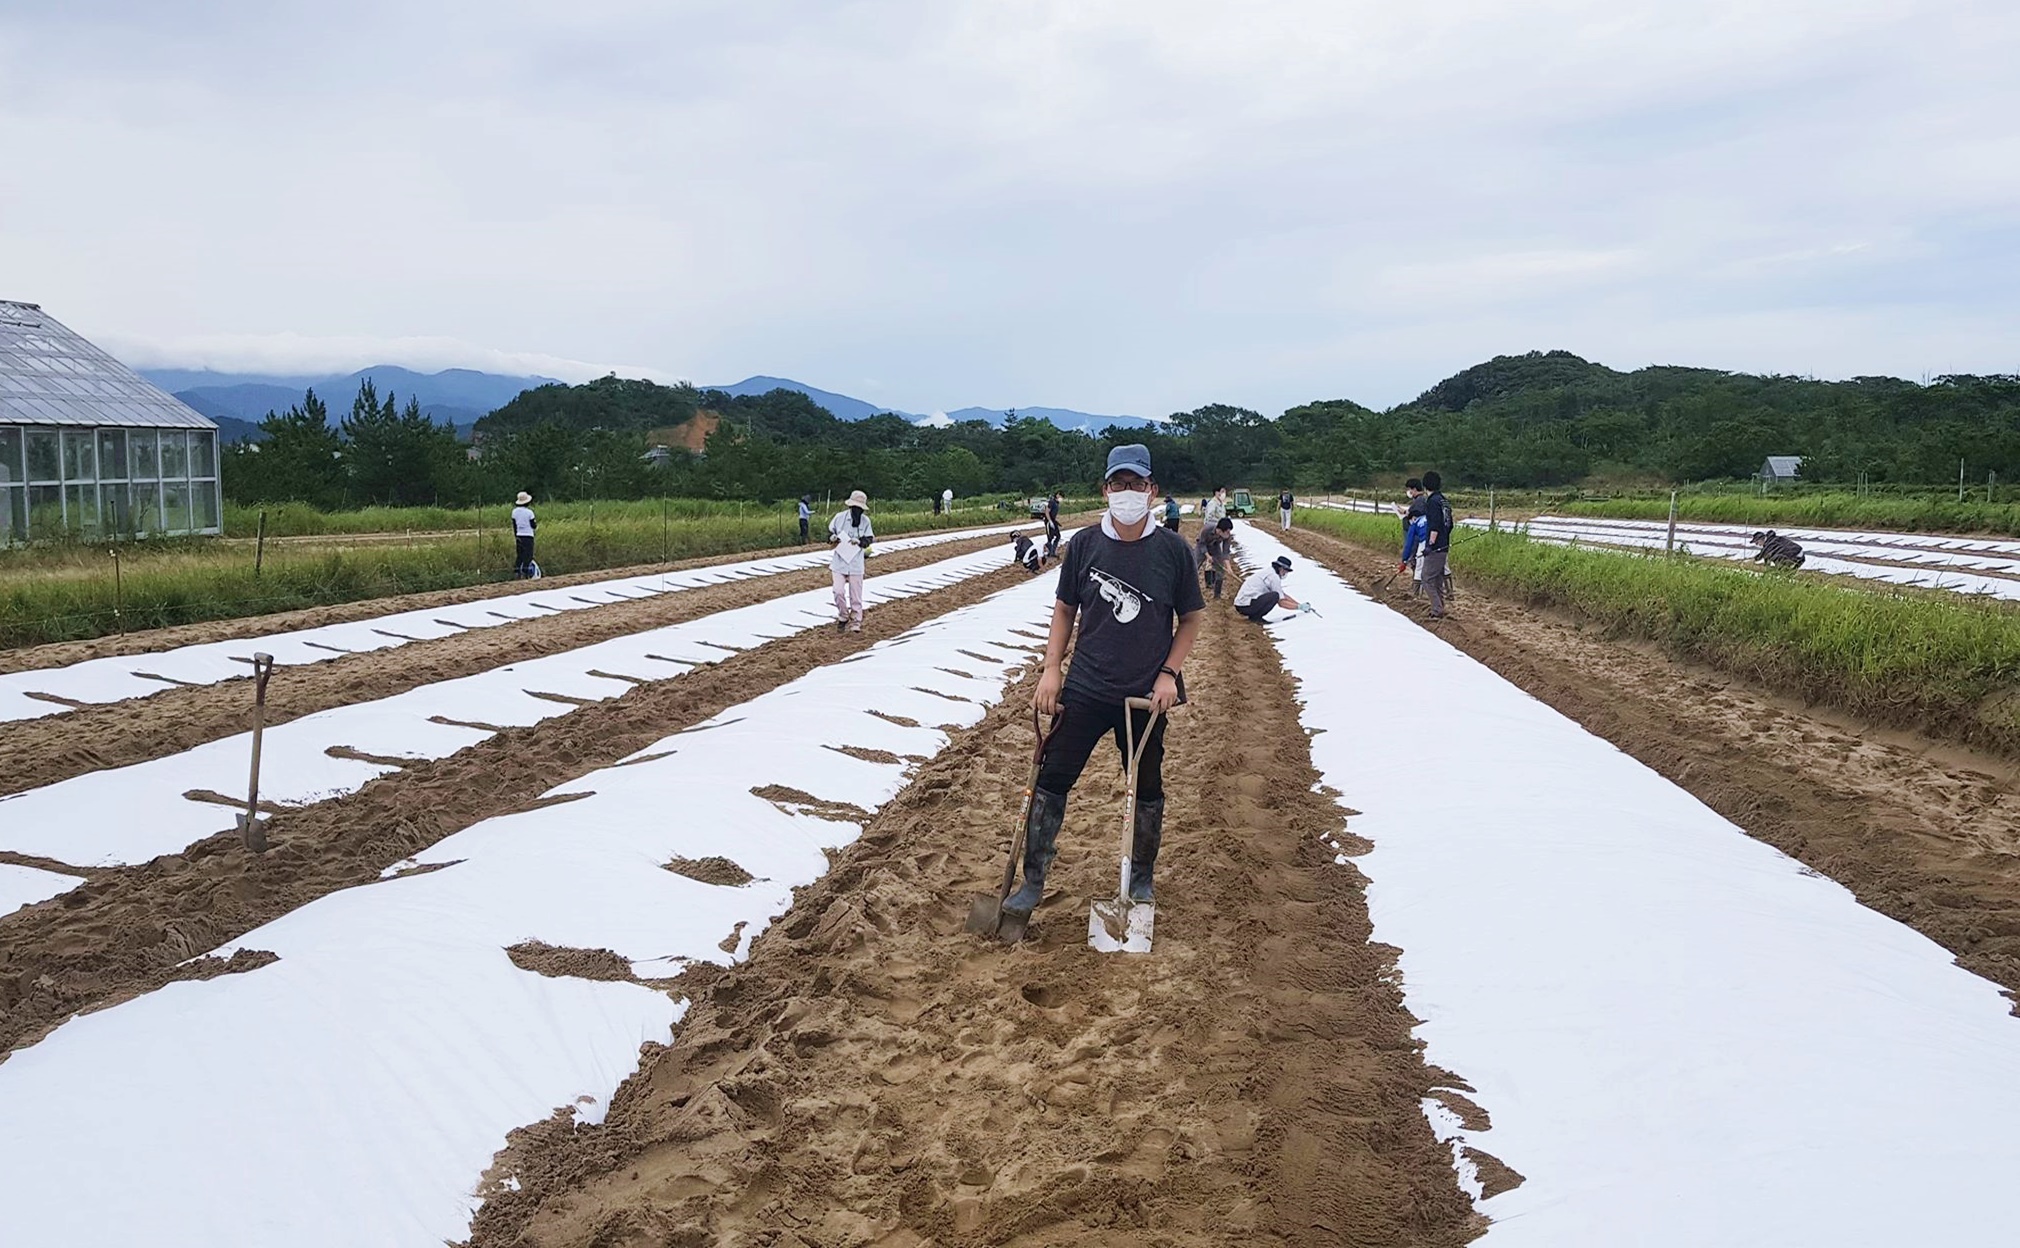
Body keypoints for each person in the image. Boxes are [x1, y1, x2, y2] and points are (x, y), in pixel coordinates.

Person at [1008, 443, 1205, 920]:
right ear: (1106, 489)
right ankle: (1031, 881)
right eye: (1119, 484)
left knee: (1146, 786)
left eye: (1137, 484)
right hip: (1087, 686)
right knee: (1052, 779)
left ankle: (1140, 877)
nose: (1128, 492)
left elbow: (1192, 620)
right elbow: (1064, 611)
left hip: (1143, 695)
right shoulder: (1085, 545)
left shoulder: (1173, 551)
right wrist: (1052, 669)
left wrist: (1168, 675)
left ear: (1152, 489)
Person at [827, 489, 875, 633]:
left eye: (860, 509)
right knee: (838, 591)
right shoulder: (839, 518)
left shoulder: (866, 522)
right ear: (850, 507)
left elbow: (869, 539)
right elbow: (829, 533)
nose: (857, 512)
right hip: (839, 562)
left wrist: (860, 541)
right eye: (855, 508)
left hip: (855, 563)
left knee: (856, 596)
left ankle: (856, 621)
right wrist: (832, 538)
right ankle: (843, 616)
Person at [1418, 470, 1454, 619]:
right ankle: (1440, 606)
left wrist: (1430, 544)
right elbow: (1449, 524)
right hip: (1445, 544)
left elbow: (1435, 525)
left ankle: (1437, 609)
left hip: (1436, 546)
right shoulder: (1444, 501)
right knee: (1438, 579)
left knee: (1426, 578)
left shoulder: (1432, 502)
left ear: (1425, 485)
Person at [1234, 554, 1306, 621]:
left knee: (1275, 595)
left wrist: (1299, 604)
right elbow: (1281, 602)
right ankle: (1256, 618)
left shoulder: (1270, 572)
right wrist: (1299, 607)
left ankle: (1255, 617)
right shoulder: (1273, 577)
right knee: (1274, 596)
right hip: (1245, 605)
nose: (1285, 573)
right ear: (1281, 568)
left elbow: (1283, 595)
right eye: (1285, 571)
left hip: (1243, 604)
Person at [1397, 479, 1429, 594]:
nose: (1408, 492)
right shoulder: (1420, 501)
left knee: (1418, 564)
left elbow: (1409, 543)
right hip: (1425, 538)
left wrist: (1404, 561)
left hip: (1420, 539)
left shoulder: (1420, 502)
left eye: (1409, 489)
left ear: (1414, 489)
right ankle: (1418, 588)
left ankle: (1417, 591)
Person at [1198, 516, 1235, 599]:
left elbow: (1226, 552)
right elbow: (1202, 543)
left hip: (1215, 546)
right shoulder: (1207, 529)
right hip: (1202, 545)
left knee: (1220, 570)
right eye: (1227, 532)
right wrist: (1207, 556)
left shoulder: (1227, 536)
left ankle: (1217, 595)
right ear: (1220, 530)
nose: (1228, 534)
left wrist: (1229, 568)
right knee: (1194, 565)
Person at [510, 491, 538, 578]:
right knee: (528, 555)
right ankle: (526, 572)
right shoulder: (530, 512)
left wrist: (516, 536)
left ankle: (517, 571)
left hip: (519, 535)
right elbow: (533, 525)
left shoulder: (514, 512)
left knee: (520, 555)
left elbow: (514, 525)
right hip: (528, 536)